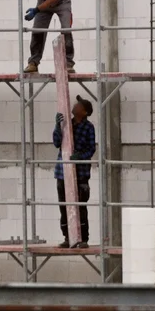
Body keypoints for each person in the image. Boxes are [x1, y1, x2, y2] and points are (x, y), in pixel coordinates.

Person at [53, 95, 97, 248]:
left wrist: (80, 156)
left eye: (78, 106)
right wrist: (57, 127)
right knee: (64, 206)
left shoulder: (88, 127)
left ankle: (83, 238)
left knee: (80, 206)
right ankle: (67, 237)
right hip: (62, 172)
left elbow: (91, 149)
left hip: (80, 174)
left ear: (84, 112)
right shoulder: (66, 124)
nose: (74, 107)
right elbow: (56, 142)